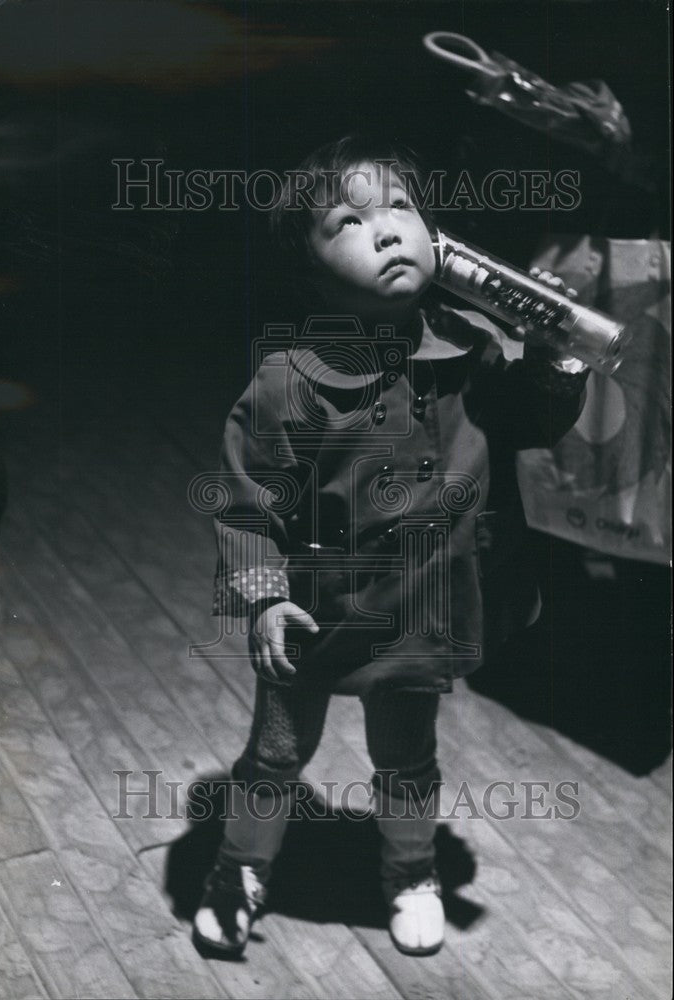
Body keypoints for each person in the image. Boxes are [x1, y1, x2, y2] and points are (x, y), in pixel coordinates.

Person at [193, 135, 588, 958]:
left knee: (406, 757)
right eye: (347, 220)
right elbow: (245, 499)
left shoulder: (471, 349)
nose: (384, 230)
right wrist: (264, 594)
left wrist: (555, 359)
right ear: (307, 267)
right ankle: (237, 868)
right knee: (275, 752)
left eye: (399, 207)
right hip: (318, 610)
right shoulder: (289, 381)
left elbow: (532, 423)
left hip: (422, 611)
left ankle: (410, 870)